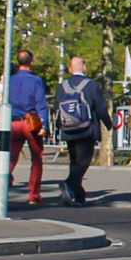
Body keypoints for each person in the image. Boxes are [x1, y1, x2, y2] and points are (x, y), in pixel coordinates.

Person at [52, 56, 112, 205]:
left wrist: (60, 127)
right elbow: (100, 107)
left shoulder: (62, 87)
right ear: (84, 68)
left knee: (75, 162)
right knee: (84, 162)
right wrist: (108, 124)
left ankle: (79, 196)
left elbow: (56, 109)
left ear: (70, 69)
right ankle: (69, 184)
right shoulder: (91, 85)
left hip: (69, 130)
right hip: (86, 129)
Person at [5, 50, 48, 205]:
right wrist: (44, 124)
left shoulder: (10, 80)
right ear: (32, 62)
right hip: (30, 123)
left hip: (13, 122)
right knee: (36, 158)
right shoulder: (36, 81)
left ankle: (1, 184)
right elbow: (40, 104)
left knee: (10, 157)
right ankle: (33, 195)